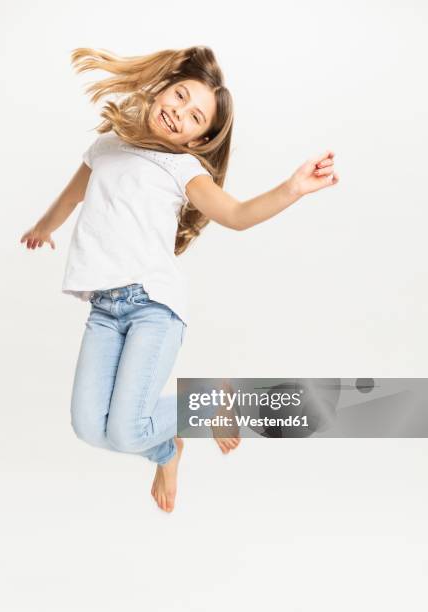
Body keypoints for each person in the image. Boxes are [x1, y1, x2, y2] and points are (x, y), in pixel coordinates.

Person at [20, 45, 339, 513]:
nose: (179, 114)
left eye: (195, 118)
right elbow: (71, 197)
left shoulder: (181, 168)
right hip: (104, 311)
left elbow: (235, 214)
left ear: (195, 141)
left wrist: (292, 188)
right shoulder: (107, 144)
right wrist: (44, 227)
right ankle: (167, 449)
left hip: (153, 307)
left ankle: (208, 403)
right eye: (181, 97)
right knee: (90, 427)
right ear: (162, 89)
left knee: (126, 427)